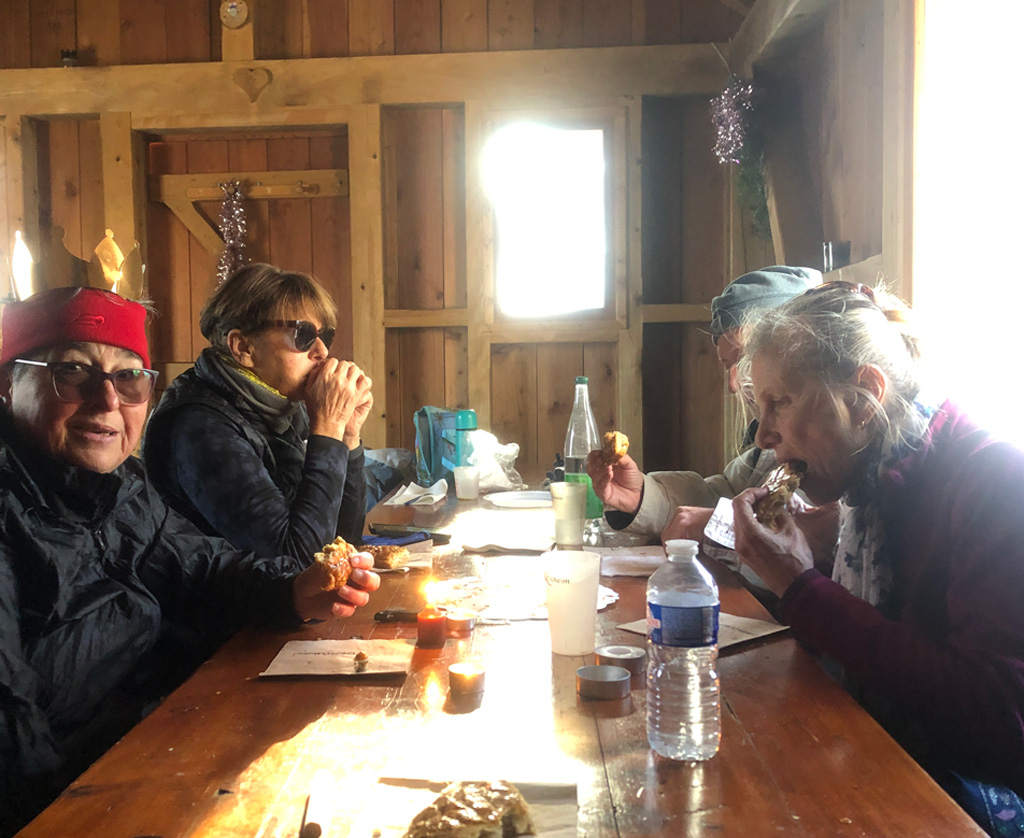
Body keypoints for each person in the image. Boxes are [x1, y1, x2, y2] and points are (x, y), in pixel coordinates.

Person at [0, 286, 380, 835]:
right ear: (9, 382)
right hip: (75, 797)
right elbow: (11, 727)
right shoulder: (199, 424)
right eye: (72, 371)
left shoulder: (122, 489)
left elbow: (207, 569)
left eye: (129, 377)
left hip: (156, 740)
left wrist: (294, 591)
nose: (107, 400)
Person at [731, 281, 1024, 835]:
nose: (763, 435)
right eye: (758, 407)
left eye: (780, 403)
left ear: (864, 397)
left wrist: (802, 588)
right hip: (890, 761)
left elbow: (997, 722)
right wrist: (813, 564)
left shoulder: (995, 479)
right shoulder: (868, 488)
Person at [144, 263, 373, 561]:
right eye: (303, 335)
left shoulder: (282, 407)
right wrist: (328, 428)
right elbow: (296, 561)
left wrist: (347, 435)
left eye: (325, 336)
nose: (322, 352)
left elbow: (345, 540)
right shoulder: (199, 426)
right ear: (243, 347)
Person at [588, 266, 821, 543]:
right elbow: (726, 493)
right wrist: (642, 497)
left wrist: (718, 525)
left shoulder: (831, 444)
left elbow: (810, 536)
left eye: (746, 360)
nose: (733, 385)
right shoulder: (763, 449)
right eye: (728, 365)